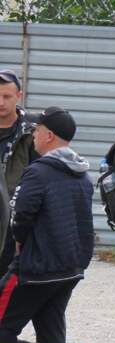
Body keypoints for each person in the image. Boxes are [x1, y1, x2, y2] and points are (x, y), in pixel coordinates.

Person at [0, 106, 93, 343]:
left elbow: (20, 216)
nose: (33, 136)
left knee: (3, 325)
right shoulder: (83, 175)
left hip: (35, 269)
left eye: (37, 131)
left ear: (49, 135)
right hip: (69, 270)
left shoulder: (37, 172)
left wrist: (19, 244)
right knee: (51, 332)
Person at [0, 70, 37, 277]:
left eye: (6, 96)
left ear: (19, 96)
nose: (1, 102)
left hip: (16, 225)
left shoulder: (32, 133)